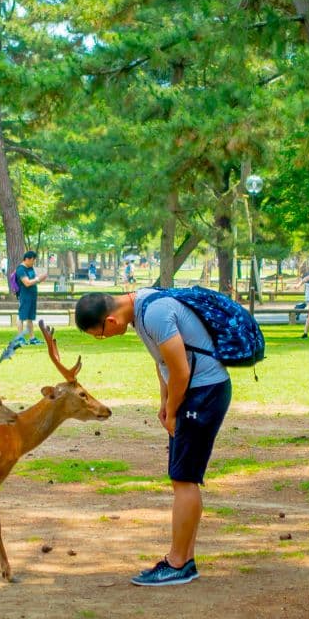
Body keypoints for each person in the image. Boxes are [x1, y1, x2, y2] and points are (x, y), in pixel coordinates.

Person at [74, 290, 232, 587]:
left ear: (110, 319)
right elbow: (164, 362)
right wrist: (164, 401)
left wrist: (172, 411)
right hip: (195, 391)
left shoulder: (154, 314)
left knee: (184, 478)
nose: (105, 338)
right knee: (184, 477)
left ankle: (177, 562)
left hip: (203, 391)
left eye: (102, 335)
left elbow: (181, 372)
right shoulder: (141, 310)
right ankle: (186, 559)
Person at [14, 250, 47, 345]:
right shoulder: (21, 269)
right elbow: (27, 283)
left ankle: (32, 338)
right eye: (32, 261)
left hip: (32, 295)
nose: (33, 263)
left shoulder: (30, 267)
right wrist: (38, 279)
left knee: (30, 318)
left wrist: (40, 279)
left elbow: (34, 279)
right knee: (22, 316)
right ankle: (20, 338)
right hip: (25, 295)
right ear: (27, 259)